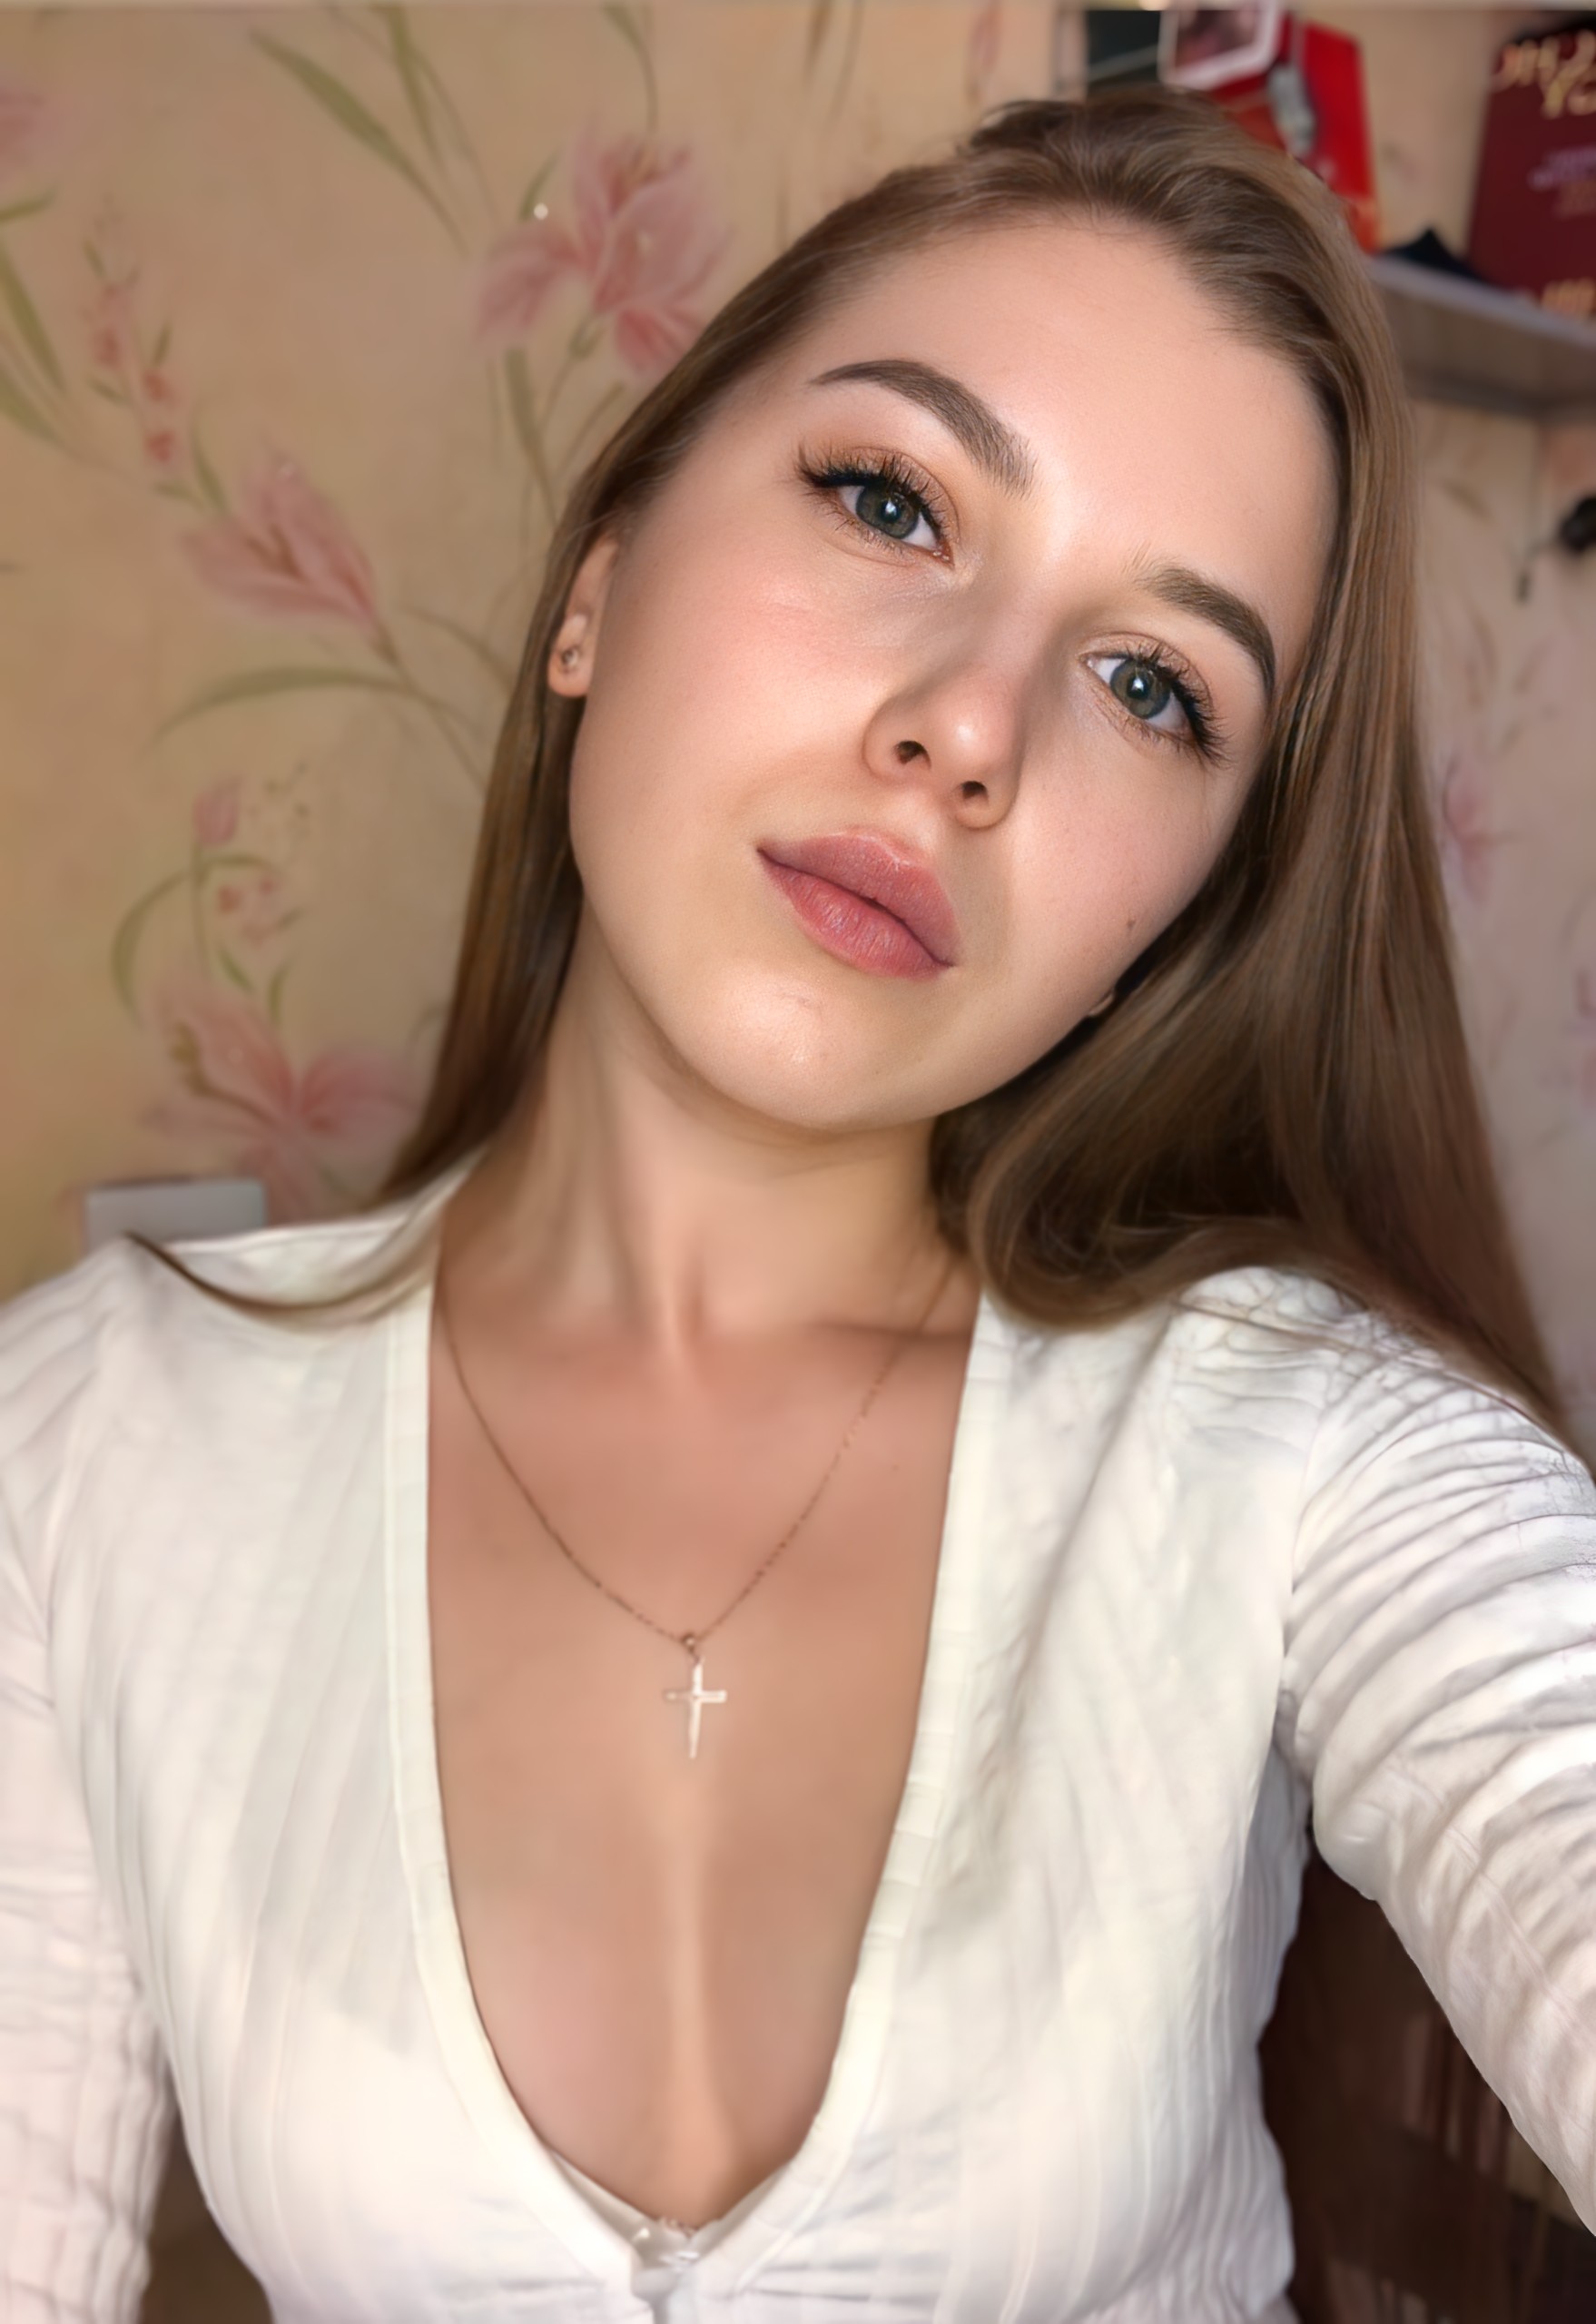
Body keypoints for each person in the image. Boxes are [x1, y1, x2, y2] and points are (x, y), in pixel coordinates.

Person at [2, 86, 1592, 2324]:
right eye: (891, 500)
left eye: (1154, 684)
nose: (972, 730)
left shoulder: (1302, 1449)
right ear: (598, 587)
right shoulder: (85, 1438)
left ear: (1168, 923)